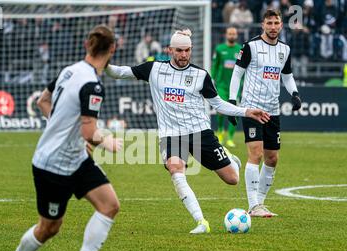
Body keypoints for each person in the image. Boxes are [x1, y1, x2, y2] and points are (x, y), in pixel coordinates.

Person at [105, 29, 270, 234]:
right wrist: (103, 62)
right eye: (179, 50)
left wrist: (246, 111)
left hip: (200, 133)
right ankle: (201, 222)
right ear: (170, 50)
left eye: (187, 50)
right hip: (171, 135)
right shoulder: (154, 69)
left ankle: (230, 158)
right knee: (176, 169)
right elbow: (119, 72)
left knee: (232, 179)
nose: (184, 55)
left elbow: (218, 104)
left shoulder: (201, 75)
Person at [2, 25, 123, 251]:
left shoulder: (69, 70)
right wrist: (108, 141)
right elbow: (89, 132)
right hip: (53, 164)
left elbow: (43, 101)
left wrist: (62, 128)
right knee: (49, 228)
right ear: (112, 49)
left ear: (86, 45)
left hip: (76, 159)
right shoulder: (92, 84)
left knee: (109, 205)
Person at [229, 9, 302, 217]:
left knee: (272, 159)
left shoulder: (285, 50)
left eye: (276, 23)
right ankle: (252, 205)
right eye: (269, 23)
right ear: (263, 25)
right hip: (252, 109)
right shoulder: (251, 46)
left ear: (281, 25)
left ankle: (260, 203)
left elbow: (287, 76)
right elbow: (237, 73)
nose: (272, 27)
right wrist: (234, 102)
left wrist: (295, 93)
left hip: (273, 111)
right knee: (256, 154)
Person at [211, 26, 242, 148]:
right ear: (226, 35)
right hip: (222, 85)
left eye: (234, 34)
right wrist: (211, 78)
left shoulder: (240, 50)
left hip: (235, 86)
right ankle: (219, 131)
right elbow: (215, 65)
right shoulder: (219, 49)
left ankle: (230, 137)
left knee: (234, 111)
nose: (232, 36)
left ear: (236, 35)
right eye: (230, 33)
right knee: (221, 110)